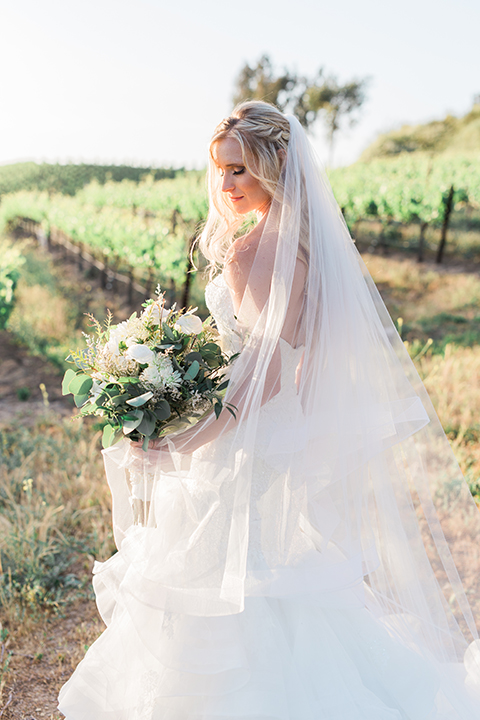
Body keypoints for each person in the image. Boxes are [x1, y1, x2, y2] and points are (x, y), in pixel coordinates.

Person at [59, 101, 480, 719]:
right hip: (283, 436)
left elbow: (267, 374)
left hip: (247, 438)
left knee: (226, 584)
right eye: (220, 172)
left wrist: (186, 438)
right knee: (275, 583)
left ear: (273, 168)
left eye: (237, 172)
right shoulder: (307, 247)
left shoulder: (251, 255)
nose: (224, 186)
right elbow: (291, 365)